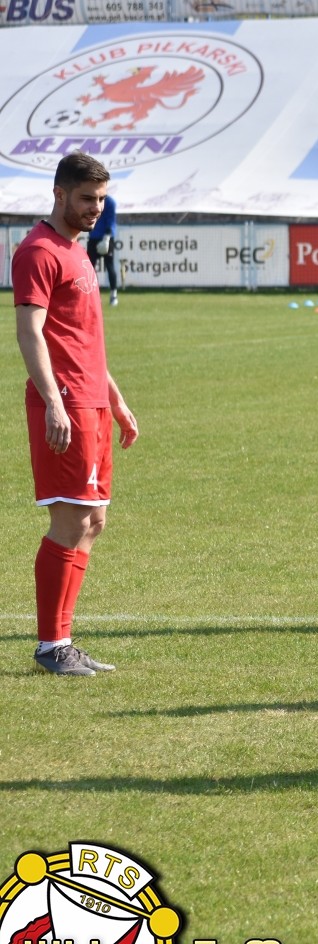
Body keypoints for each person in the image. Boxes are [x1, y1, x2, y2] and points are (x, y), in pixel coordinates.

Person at [13, 151, 139, 676]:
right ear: (59, 194)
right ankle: (51, 646)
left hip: (93, 403)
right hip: (66, 403)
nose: (96, 208)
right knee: (70, 520)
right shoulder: (38, 251)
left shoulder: (76, 251)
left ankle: (62, 641)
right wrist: (54, 402)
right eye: (87, 198)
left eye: (102, 199)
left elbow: (84, 339)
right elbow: (30, 332)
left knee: (94, 521)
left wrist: (116, 399)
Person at [86, 193, 119, 307]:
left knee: (109, 266)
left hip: (107, 238)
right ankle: (92, 295)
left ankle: (113, 295)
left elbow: (111, 221)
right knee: (90, 268)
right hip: (93, 238)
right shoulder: (90, 200)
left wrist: (107, 237)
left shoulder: (110, 202)